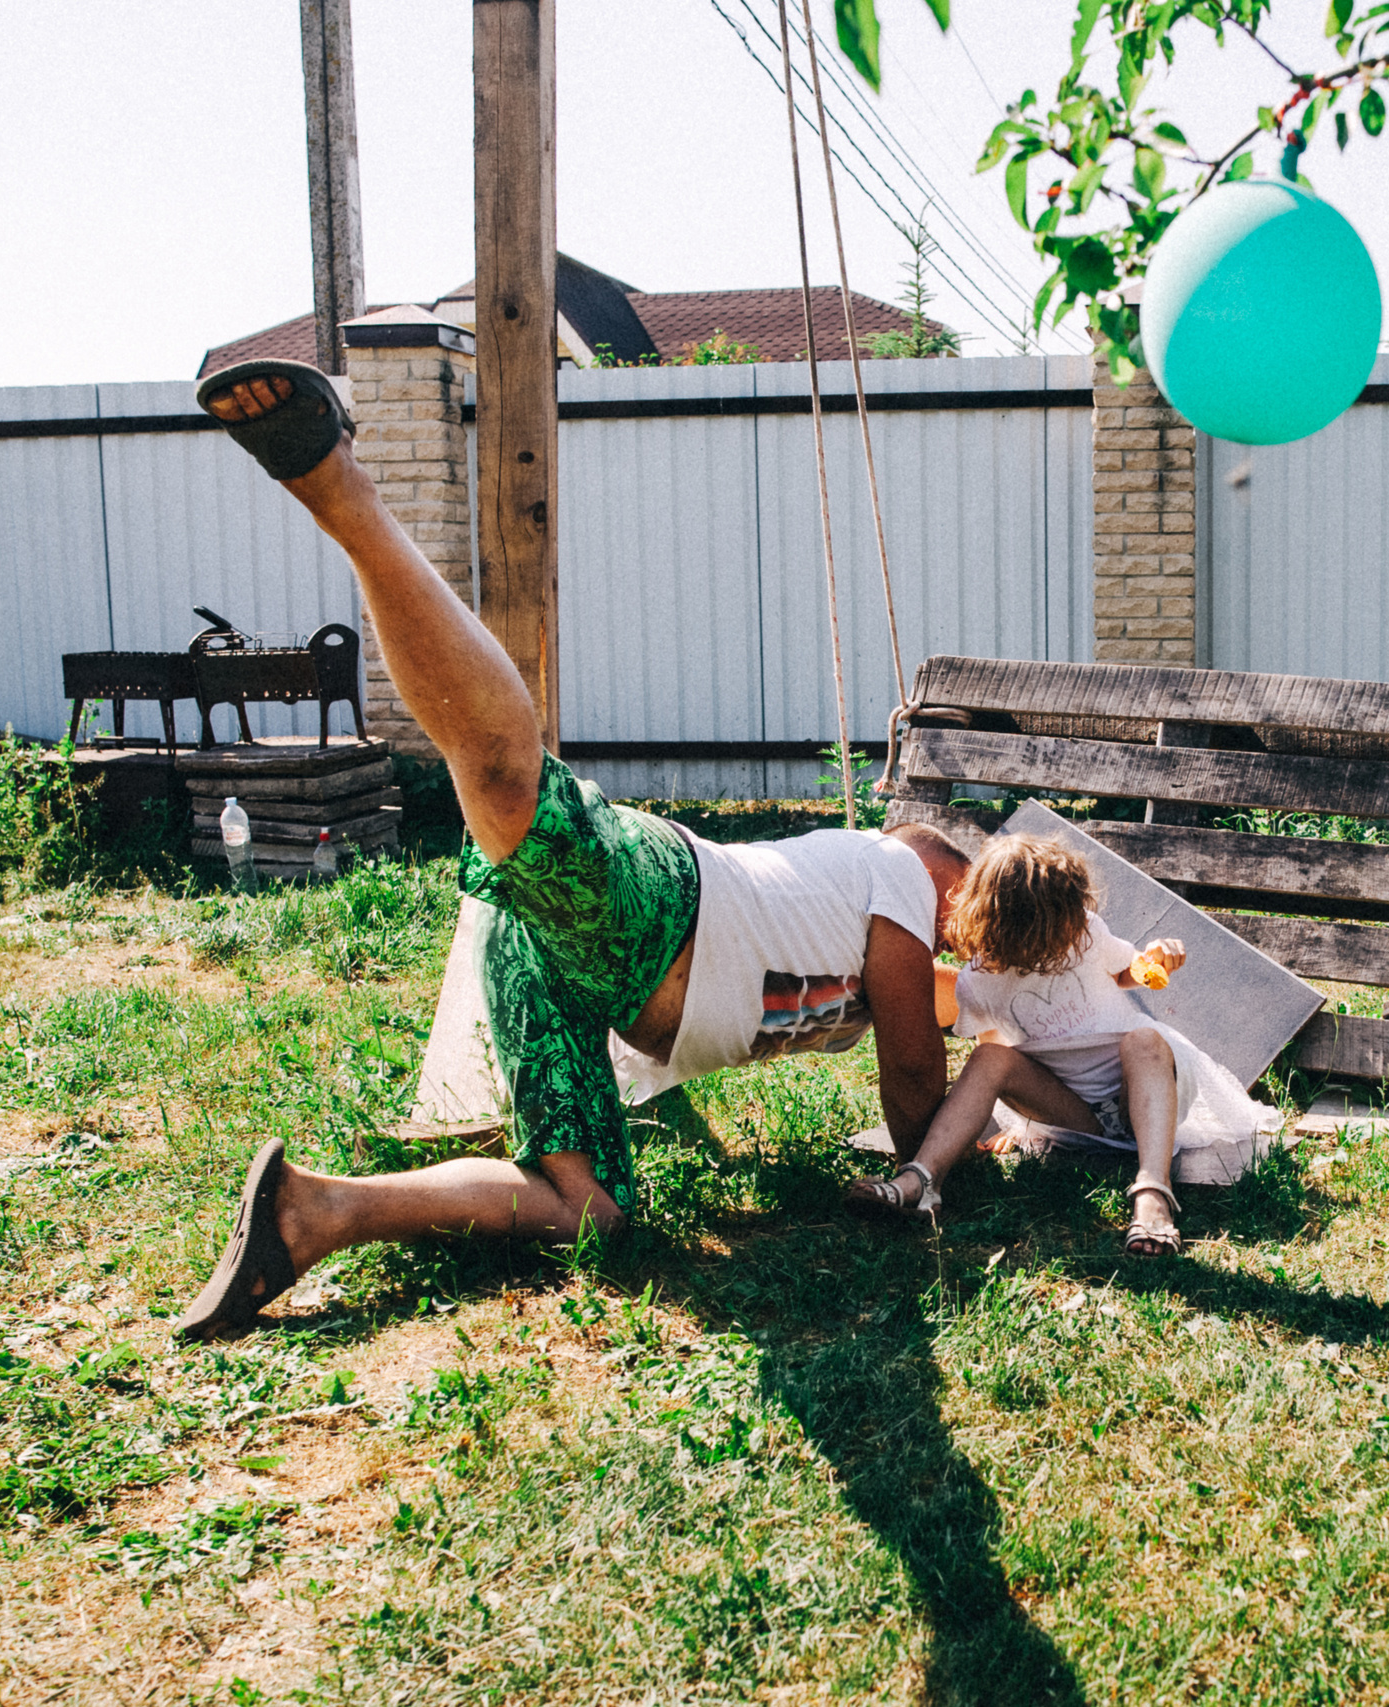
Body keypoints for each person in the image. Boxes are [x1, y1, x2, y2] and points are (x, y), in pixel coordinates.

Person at [175, 359, 973, 1339]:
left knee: (586, 1210)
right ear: (934, 864)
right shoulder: (894, 871)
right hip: (667, 904)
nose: (966, 930)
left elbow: (952, 1016)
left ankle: (320, 1209)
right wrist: (937, 1163)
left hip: (582, 973)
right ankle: (341, 490)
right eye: (968, 899)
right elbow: (911, 1071)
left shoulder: (886, 939)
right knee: (509, 784)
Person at [843, 835, 1264, 1256]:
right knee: (987, 1057)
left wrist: (1155, 958)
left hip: (1137, 1094)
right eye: (1053, 927)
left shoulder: (1085, 932)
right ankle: (922, 1178)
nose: (1068, 931)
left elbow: (1125, 972)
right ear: (1002, 925)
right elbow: (997, 1055)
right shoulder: (978, 982)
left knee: (1144, 1039)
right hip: (1074, 1116)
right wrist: (1016, 1123)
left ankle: (1152, 1192)